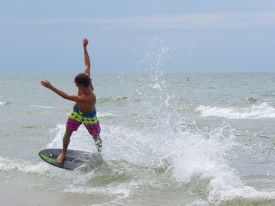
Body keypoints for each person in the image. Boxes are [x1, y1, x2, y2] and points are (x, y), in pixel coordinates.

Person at [40, 38, 102, 164]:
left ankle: (101, 155)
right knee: (67, 133)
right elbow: (87, 64)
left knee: (96, 136)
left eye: (77, 85)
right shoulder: (86, 78)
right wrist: (84, 48)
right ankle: (64, 152)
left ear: (84, 86)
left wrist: (50, 86)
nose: (76, 87)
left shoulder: (88, 97)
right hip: (77, 113)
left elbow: (67, 97)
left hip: (89, 116)